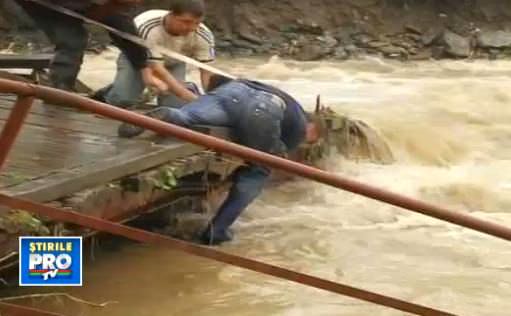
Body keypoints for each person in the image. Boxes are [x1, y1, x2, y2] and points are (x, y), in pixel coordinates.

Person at [117, 74, 318, 245]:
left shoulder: (292, 105)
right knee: (259, 170)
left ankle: (170, 115)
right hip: (265, 107)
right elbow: (279, 154)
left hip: (232, 90)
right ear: (312, 127)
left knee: (189, 119)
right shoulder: (301, 123)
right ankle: (218, 230)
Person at [14, 0, 161, 92]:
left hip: (73, 8)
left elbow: (126, 34)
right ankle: (59, 89)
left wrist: (143, 66)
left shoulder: (116, 9)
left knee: (76, 38)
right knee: (73, 40)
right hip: (41, 4)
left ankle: (62, 87)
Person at [94, 0, 215, 109]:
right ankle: (110, 92)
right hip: (138, 59)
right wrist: (190, 97)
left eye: (197, 23)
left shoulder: (203, 35)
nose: (192, 28)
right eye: (186, 22)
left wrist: (212, 100)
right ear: (171, 15)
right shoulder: (149, 27)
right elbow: (157, 68)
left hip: (173, 63)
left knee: (174, 106)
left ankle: (128, 86)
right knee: (122, 99)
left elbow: (207, 73)